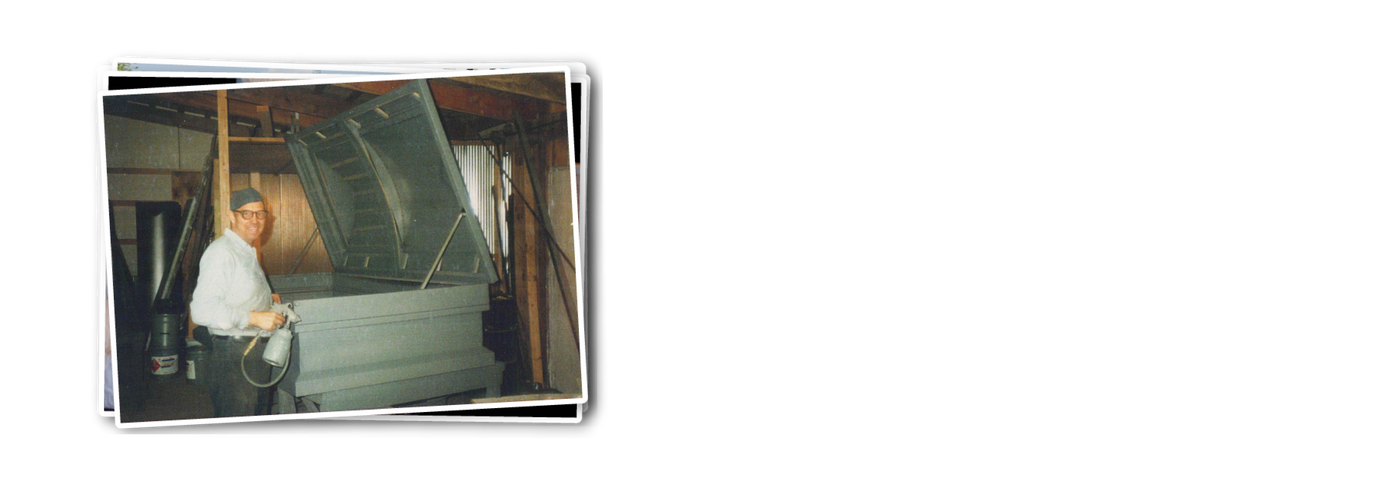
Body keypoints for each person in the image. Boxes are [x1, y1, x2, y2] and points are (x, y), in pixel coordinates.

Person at [190, 187, 284, 417]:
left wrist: (265, 299)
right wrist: (254, 317)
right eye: (246, 214)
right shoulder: (222, 252)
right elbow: (202, 311)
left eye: (260, 214)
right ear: (232, 216)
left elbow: (235, 291)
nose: (255, 220)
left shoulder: (245, 250)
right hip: (234, 358)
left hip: (251, 353)